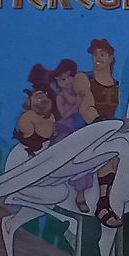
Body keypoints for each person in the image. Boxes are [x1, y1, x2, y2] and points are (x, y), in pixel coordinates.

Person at [73, 39, 123, 227]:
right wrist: (99, 123)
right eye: (95, 54)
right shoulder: (83, 78)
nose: (97, 58)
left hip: (110, 130)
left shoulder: (118, 86)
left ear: (110, 58)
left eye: (102, 54)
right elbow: (86, 105)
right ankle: (103, 205)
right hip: (85, 129)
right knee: (108, 154)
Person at [47, 58, 91, 212]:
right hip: (67, 128)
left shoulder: (79, 92)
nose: (67, 81)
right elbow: (64, 115)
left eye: (70, 76)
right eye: (63, 79)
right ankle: (79, 194)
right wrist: (77, 105)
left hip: (80, 126)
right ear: (57, 82)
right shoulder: (61, 97)